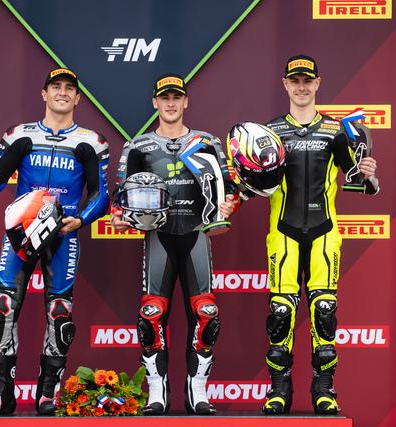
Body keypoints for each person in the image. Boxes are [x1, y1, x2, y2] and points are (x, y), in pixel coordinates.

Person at [0, 68, 109, 416]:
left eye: (69, 88)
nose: (62, 92)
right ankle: (1, 394)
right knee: (2, 308)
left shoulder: (92, 141)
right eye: (55, 87)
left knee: (60, 314)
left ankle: (48, 395)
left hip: (62, 234)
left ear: (78, 98)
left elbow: (101, 196)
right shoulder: (19, 135)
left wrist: (81, 219)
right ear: (44, 94)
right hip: (21, 233)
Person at [110, 74, 238, 415]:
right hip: (158, 237)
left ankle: (198, 391)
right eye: (164, 97)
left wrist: (229, 206)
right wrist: (118, 215)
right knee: (151, 315)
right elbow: (120, 194)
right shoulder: (138, 146)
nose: (170, 103)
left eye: (176, 97)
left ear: (186, 101)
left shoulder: (207, 142)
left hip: (197, 233)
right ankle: (157, 391)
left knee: (206, 314)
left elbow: (230, 189)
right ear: (155, 102)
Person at [260, 55, 379, 415]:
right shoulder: (269, 132)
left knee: (324, 310)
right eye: (295, 80)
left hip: (325, 231)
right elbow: (254, 184)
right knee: (281, 311)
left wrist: (369, 174)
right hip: (283, 231)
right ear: (285, 84)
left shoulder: (336, 130)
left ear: (317, 84)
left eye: (307, 80)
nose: (301, 87)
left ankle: (324, 391)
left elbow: (361, 183)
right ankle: (279, 391)